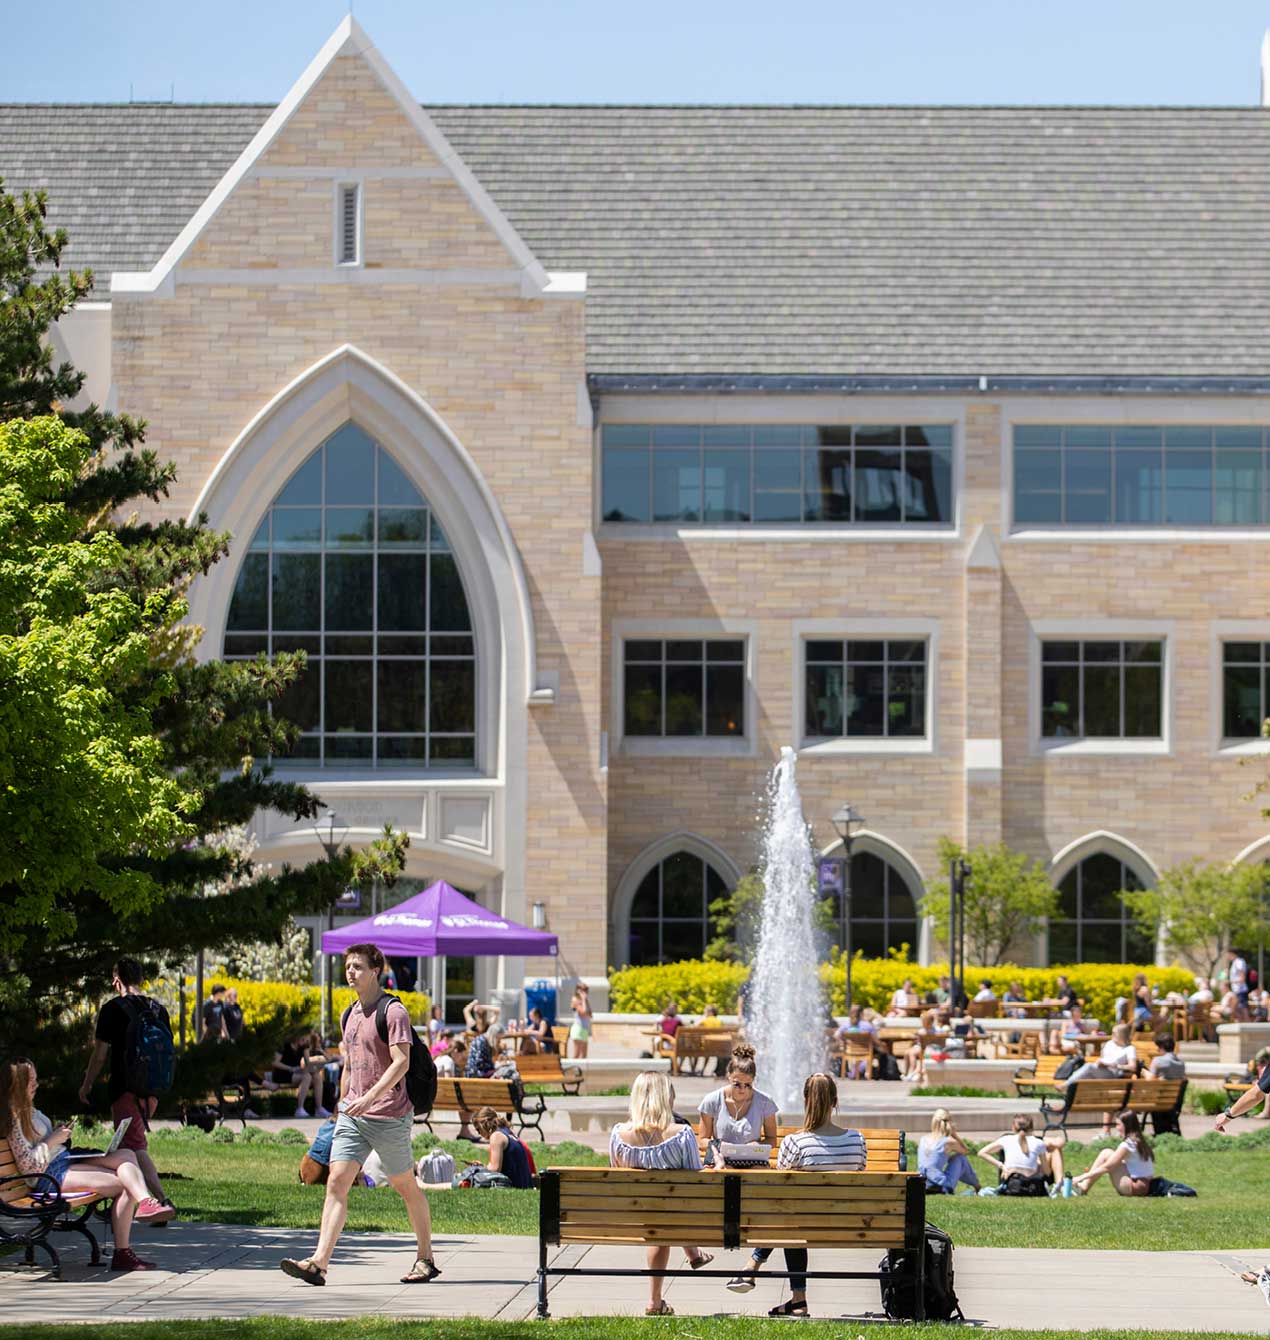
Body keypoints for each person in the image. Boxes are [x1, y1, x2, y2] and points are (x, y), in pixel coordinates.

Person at [279, 942, 438, 1287]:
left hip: (390, 1115)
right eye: (348, 966)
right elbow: (350, 1064)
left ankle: (425, 1257)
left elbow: (402, 1062)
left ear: (375, 971)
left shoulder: (392, 1012)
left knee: (404, 1185)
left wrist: (370, 1097)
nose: (350, 972)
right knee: (336, 1182)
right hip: (353, 1116)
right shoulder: (348, 1014)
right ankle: (318, 1263)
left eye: (358, 967)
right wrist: (343, 1104)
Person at [2, 1057, 176, 1271]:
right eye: (30, 1081)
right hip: (50, 1174)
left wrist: (56, 1134)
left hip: (63, 1159)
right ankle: (123, 1252)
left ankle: (146, 1202)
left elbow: (42, 1145)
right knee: (124, 1184)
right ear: (16, 1084)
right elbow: (29, 1167)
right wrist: (52, 1140)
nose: (36, 1085)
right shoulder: (13, 1118)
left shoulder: (28, 1109)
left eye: (36, 1079)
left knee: (127, 1154)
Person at [725, 1073, 866, 1315]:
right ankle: (787, 1294)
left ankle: (755, 1268)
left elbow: (781, 1188)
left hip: (801, 1223)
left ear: (805, 1101)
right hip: (851, 1224)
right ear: (835, 1101)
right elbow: (860, 1170)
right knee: (792, 1213)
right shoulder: (856, 1140)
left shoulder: (795, 1143)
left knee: (788, 1214)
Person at [609, 1071, 712, 1315]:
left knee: (657, 1215)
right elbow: (695, 1181)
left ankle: (655, 1301)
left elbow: (615, 1175)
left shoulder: (618, 1134)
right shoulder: (682, 1134)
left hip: (629, 1216)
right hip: (670, 1214)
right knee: (665, 1213)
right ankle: (658, 1298)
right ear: (666, 1097)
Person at [77, 956, 172, 1209]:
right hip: (152, 1089)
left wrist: (86, 1085)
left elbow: (99, 1055)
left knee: (134, 1147)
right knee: (126, 1148)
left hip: (124, 1089)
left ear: (116, 980)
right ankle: (121, 1204)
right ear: (141, 979)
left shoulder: (112, 1009)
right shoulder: (158, 1010)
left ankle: (159, 1202)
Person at [697, 1044, 779, 1149]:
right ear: (729, 1076)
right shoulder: (712, 1100)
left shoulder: (765, 1102)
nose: (742, 1089)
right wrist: (721, 1146)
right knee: (724, 1166)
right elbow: (702, 1140)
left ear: (753, 1080)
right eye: (737, 1084)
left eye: (748, 1085)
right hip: (720, 1156)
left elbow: (772, 1139)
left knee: (757, 1167)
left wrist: (757, 1145)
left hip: (751, 1158)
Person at [978, 1114, 1066, 1197]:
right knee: (1052, 1154)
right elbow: (1047, 1172)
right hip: (1033, 1186)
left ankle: (1061, 1185)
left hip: (1010, 1184)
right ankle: (1060, 1185)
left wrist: (1001, 1165)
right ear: (1032, 1128)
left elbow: (981, 1153)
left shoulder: (1005, 1139)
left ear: (1013, 1127)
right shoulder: (1038, 1142)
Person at [1071, 1109, 1153, 1197]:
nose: (1116, 1128)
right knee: (1108, 1154)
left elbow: (1107, 1167)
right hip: (1144, 1186)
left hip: (1135, 1188)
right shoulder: (1139, 1140)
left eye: (1118, 1125)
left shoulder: (1128, 1144)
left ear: (1126, 1125)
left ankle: (1083, 1186)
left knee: (1106, 1153)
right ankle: (1083, 1186)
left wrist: (1081, 1177)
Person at [271, 1029, 332, 1119]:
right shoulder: (284, 1046)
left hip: (296, 1073)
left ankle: (319, 1108)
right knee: (306, 1077)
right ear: (296, 1037)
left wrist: (314, 1069)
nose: (305, 1042)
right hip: (282, 1074)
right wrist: (290, 1068)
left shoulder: (303, 1047)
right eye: (303, 1039)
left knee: (316, 1077)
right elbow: (275, 1063)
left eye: (306, 1040)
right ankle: (299, 1109)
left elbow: (307, 1063)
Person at [917, 1108, 979, 1195]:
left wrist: (949, 1157)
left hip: (921, 1182)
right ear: (948, 1123)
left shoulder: (923, 1139)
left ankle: (976, 1185)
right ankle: (977, 1186)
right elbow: (965, 1151)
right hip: (940, 1185)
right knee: (961, 1158)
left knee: (955, 1157)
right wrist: (954, 1134)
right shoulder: (948, 1141)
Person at [471, 1105, 534, 1188]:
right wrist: (483, 1167)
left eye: (478, 1129)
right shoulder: (508, 1133)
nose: (479, 1133)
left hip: (514, 1186)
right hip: (524, 1185)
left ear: (485, 1123)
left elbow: (495, 1170)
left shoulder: (496, 1136)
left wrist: (478, 1170)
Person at [568, 982, 592, 1059]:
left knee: (584, 1056)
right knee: (577, 1054)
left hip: (584, 1029)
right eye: (583, 990)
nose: (585, 993)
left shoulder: (584, 1001)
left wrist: (585, 1001)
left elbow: (590, 1014)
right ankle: (571, 1070)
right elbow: (583, 1012)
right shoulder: (575, 1000)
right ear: (578, 990)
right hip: (578, 1029)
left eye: (586, 991)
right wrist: (584, 1000)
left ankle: (581, 1071)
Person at [1228, 947, 1250, 1020]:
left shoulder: (1239, 962)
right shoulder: (1235, 962)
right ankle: (1242, 1028)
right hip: (1237, 991)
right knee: (1236, 1011)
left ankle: (1250, 1029)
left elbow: (1242, 978)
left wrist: (1229, 981)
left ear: (1232, 954)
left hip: (1240, 990)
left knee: (1243, 1010)